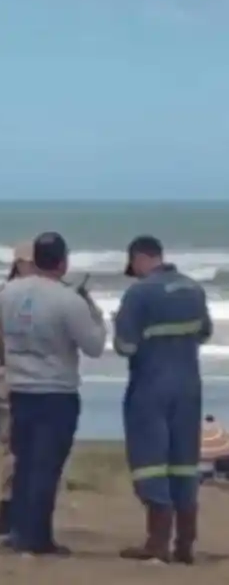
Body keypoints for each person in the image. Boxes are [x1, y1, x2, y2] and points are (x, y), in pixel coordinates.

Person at [0, 232, 106, 556]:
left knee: (26, 462)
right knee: (47, 466)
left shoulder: (8, 293)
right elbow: (94, 345)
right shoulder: (68, 300)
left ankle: (21, 531)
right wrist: (93, 312)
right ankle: (37, 537)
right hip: (55, 390)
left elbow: (0, 331)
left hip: (20, 388)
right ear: (63, 261)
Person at [113, 235, 211, 564]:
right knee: (185, 461)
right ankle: (184, 543)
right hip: (188, 384)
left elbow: (125, 347)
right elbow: (204, 333)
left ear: (139, 258)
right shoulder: (194, 289)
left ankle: (157, 541)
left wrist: (118, 325)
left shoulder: (139, 293)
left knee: (149, 461)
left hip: (151, 385)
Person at [0, 241, 34, 537]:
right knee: (14, 447)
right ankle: (8, 507)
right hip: (10, 378)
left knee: (22, 448)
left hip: (20, 376)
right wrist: (7, 359)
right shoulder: (11, 295)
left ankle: (14, 507)